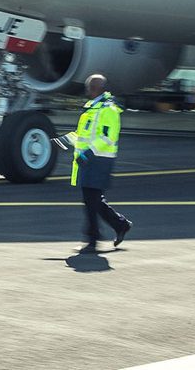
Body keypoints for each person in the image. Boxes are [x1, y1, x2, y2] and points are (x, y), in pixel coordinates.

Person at [64, 74, 131, 254]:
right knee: (93, 200)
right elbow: (82, 133)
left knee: (91, 201)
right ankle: (120, 224)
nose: (88, 90)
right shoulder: (93, 108)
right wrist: (59, 141)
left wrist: (88, 154)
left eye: (90, 87)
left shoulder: (108, 109)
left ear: (98, 89)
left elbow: (107, 138)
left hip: (99, 160)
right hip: (90, 160)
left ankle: (93, 240)